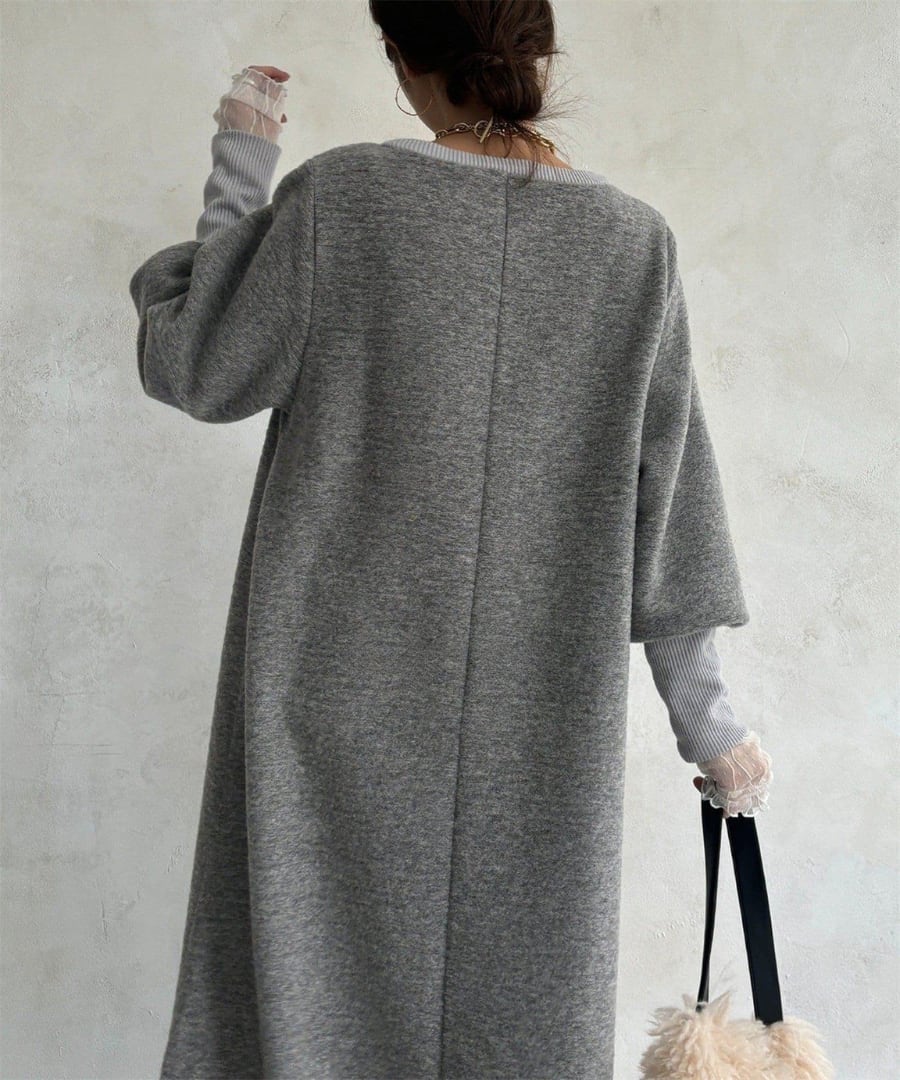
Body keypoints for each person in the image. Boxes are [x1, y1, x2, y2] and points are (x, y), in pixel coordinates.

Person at [128, 3, 772, 1077]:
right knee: (520, 1023)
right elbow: (671, 497)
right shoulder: (633, 244)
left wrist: (242, 155)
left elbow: (198, 360)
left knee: (305, 1021)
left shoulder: (342, 199)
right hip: (539, 725)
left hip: (328, 704)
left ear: (401, 57)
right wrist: (709, 720)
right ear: (540, 54)